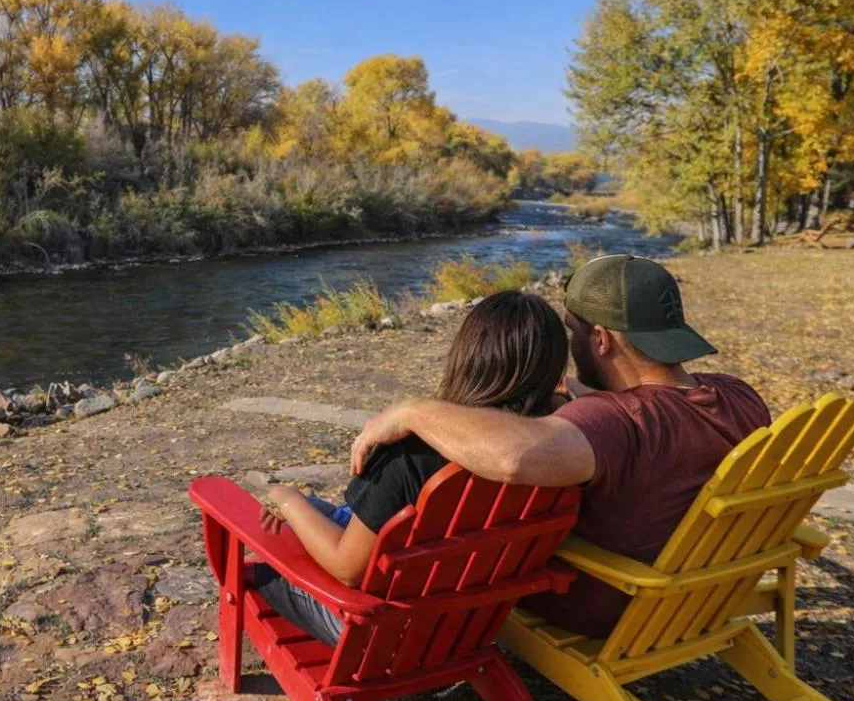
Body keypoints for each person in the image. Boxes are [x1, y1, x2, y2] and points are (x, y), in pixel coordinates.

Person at [350, 254, 771, 638]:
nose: (570, 346)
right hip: (700, 597)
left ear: (602, 340)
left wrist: (412, 412)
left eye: (573, 331)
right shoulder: (738, 396)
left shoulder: (615, 423)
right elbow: (658, 418)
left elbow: (513, 456)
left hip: (602, 609)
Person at [255, 290, 569, 646]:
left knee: (265, 569)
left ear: (468, 357)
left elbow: (348, 570)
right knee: (312, 512)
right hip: (471, 618)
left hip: (384, 633)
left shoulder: (409, 455)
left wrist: (285, 498)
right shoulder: (561, 442)